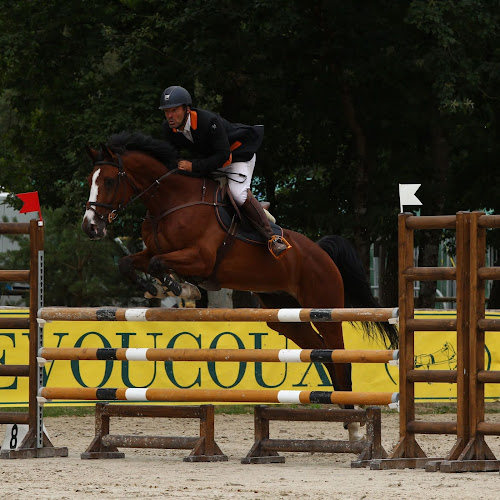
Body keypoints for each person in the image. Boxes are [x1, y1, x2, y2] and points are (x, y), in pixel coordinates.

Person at [158, 85, 291, 259]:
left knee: (238, 194)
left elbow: (223, 156)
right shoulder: (169, 129)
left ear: (187, 109)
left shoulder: (209, 121)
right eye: (166, 111)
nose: (170, 116)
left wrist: (194, 166)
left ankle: (272, 237)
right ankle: (257, 208)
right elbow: (172, 156)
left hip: (237, 157)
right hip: (213, 161)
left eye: (174, 110)